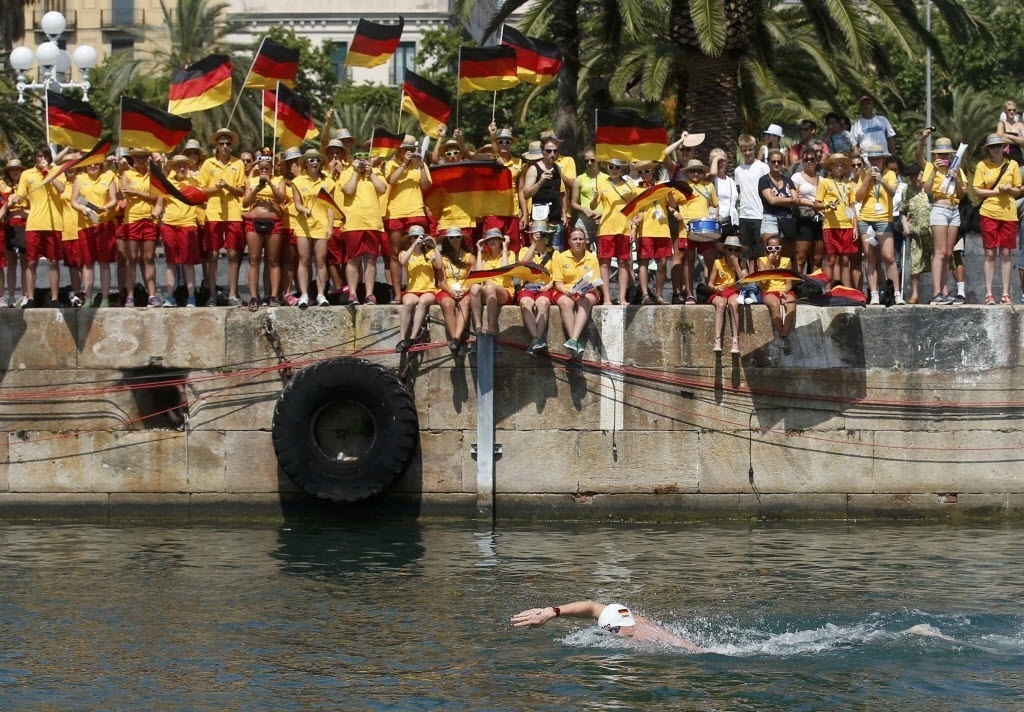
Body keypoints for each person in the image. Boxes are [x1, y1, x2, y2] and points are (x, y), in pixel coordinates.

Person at [511, 601, 703, 652]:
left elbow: (592, 607)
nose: (614, 634)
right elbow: (592, 607)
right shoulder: (639, 622)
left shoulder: (634, 632)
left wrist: (551, 612)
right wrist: (550, 611)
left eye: (614, 631)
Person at [9, 144, 65, 308]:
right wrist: (15, 198)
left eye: (44, 156)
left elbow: (61, 189)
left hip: (54, 223)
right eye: (39, 156)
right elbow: (21, 195)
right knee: (31, 262)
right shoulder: (27, 174)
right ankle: (30, 298)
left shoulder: (57, 171)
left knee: (54, 262)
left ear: (49, 158)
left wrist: (49, 173)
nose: (41, 159)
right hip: (34, 223)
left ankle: (54, 298)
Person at [197, 128, 246, 307]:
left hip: (233, 212)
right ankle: (212, 294)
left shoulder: (238, 163)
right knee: (213, 254)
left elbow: (241, 190)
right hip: (213, 212)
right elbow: (201, 190)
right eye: (221, 144)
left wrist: (228, 187)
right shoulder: (208, 164)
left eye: (227, 144)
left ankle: (233, 293)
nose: (225, 147)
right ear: (216, 146)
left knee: (233, 253)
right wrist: (216, 189)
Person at [972, 134, 1022, 304]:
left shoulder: (1012, 164)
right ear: (988, 149)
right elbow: (977, 190)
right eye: (993, 147)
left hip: (1008, 212)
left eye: (999, 146)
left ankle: (1006, 293)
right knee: (989, 253)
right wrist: (996, 191)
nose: (996, 149)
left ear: (1004, 147)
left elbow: (1019, 189)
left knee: (1007, 254)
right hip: (989, 212)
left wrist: (1010, 189)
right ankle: (989, 293)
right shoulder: (982, 165)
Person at [920, 136, 968, 305]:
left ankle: (945, 290)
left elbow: (962, 193)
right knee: (939, 251)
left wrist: (957, 177)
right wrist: (934, 170)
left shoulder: (957, 168)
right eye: (940, 154)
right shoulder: (930, 167)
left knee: (948, 253)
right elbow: (926, 190)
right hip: (939, 208)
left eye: (946, 154)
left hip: (954, 209)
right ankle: (936, 292)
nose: (943, 158)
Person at [385, 136, 432, 303]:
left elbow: (426, 185)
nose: (409, 152)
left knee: (420, 251)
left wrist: (420, 165)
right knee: (395, 254)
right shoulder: (391, 164)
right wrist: (404, 164)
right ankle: (398, 294)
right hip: (395, 213)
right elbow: (392, 180)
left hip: (416, 211)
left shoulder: (420, 164)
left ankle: (418, 288)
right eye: (405, 149)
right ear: (399, 150)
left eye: (411, 149)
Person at [339, 151, 388, 304]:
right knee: (353, 259)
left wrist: (371, 173)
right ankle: (353, 293)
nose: (361, 162)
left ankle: (369, 294)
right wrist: (354, 172)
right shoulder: (346, 173)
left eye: (364, 159)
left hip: (373, 222)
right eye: (358, 159)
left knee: (371, 259)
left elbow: (382, 189)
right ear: (353, 160)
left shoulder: (375, 172)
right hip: (353, 222)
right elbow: (349, 190)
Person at [855, 144, 902, 305]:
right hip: (866, 218)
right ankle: (873, 293)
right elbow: (858, 197)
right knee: (870, 257)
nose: (875, 161)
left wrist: (881, 180)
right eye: (872, 158)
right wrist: (868, 178)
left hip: (883, 219)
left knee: (889, 256)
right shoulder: (864, 174)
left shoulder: (889, 174)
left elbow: (893, 192)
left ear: (883, 159)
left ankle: (896, 292)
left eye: (877, 158)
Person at [290, 148, 335, 309]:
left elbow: (330, 207)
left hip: (321, 224)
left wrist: (330, 226)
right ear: (306, 163)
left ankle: (321, 294)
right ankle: (304, 294)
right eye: (311, 160)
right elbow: (297, 203)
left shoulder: (328, 182)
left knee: (321, 260)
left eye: (317, 160)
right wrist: (303, 209)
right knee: (304, 259)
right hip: (304, 224)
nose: (315, 163)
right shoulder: (298, 181)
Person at [241, 148, 285, 308]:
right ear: (258, 168)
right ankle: (253, 296)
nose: (264, 171)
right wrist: (256, 190)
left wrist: (271, 184)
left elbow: (281, 198)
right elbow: (245, 203)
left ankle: (273, 296)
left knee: (273, 260)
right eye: (262, 168)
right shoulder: (251, 181)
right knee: (254, 259)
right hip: (254, 222)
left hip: (274, 222)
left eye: (267, 168)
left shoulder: (279, 180)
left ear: (272, 169)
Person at [71, 160, 118, 307]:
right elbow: (74, 201)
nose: (93, 166)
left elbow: (114, 199)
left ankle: (104, 298)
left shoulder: (108, 177)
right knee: (87, 263)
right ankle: (89, 297)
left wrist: (104, 207)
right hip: (85, 225)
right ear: (85, 165)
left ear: (101, 165)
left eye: (96, 164)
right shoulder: (80, 179)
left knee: (104, 263)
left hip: (104, 224)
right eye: (90, 164)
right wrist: (83, 209)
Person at [120, 149, 163, 307]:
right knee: (131, 259)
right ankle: (130, 296)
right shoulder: (127, 174)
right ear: (133, 159)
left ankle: (152, 295)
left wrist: (136, 192)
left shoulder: (153, 176)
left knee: (148, 258)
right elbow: (124, 193)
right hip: (132, 219)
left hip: (150, 219)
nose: (141, 160)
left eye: (144, 157)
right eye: (138, 157)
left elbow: (156, 197)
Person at [591, 158, 637, 305]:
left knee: (624, 262)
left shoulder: (629, 185)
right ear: (607, 169)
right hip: (606, 228)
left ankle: (622, 298)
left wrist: (634, 228)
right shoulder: (602, 183)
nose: (614, 169)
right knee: (604, 264)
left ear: (622, 169)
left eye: (617, 167)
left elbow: (636, 208)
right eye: (611, 167)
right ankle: (607, 298)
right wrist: (594, 198)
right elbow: (593, 206)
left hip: (624, 228)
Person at [159, 154, 203, 307]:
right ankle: (169, 297)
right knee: (171, 262)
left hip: (188, 225)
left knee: (188, 263)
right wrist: (153, 216)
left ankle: (191, 297)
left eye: (184, 165)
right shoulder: (166, 184)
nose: (182, 168)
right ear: (173, 168)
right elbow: (159, 204)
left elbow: (202, 202)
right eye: (179, 165)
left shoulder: (193, 183)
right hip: (169, 224)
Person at [552, 228, 601, 358]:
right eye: (575, 239)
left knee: (584, 301)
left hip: (587, 291)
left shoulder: (592, 258)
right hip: (566, 290)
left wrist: (584, 291)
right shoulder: (560, 257)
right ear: (569, 242)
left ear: (585, 241)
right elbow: (558, 283)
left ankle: (573, 339)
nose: (578, 242)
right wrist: (565, 291)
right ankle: (574, 341)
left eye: (581, 239)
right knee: (564, 302)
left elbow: (595, 282)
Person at [522, 135, 573, 250]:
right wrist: (540, 181)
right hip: (540, 219)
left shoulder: (557, 168)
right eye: (548, 151)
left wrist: (564, 213)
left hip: (556, 218)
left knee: (556, 254)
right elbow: (526, 194)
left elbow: (560, 193)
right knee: (541, 253)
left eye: (555, 151)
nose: (552, 154)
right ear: (542, 151)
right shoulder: (534, 169)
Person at [815, 153, 858, 287]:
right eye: (836, 164)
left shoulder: (849, 184)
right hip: (830, 226)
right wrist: (827, 205)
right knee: (831, 260)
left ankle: (846, 291)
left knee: (845, 260)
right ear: (831, 167)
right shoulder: (825, 183)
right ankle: (827, 291)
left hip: (847, 226)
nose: (839, 167)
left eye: (842, 165)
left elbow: (850, 206)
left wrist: (855, 226)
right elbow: (816, 204)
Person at [395, 225, 439, 352]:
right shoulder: (404, 253)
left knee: (423, 302)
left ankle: (413, 337)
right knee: (408, 303)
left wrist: (434, 246)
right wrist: (414, 246)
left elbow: (439, 264)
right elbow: (403, 261)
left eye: (421, 237)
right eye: (415, 237)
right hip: (412, 289)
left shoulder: (430, 253)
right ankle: (402, 338)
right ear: (410, 239)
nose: (418, 239)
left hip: (429, 289)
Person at [516, 221, 556, 354]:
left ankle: (536, 341)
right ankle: (537, 338)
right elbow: (523, 265)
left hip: (546, 286)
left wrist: (548, 286)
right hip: (528, 286)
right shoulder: (524, 250)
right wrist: (533, 244)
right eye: (536, 233)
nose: (540, 236)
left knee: (542, 303)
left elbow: (557, 275)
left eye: (543, 233)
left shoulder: (554, 253)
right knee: (525, 302)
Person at [734, 134, 770, 272]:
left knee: (760, 253)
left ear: (754, 149)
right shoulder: (738, 170)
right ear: (741, 150)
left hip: (760, 214)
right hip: (744, 215)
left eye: (750, 149)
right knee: (746, 255)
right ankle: (750, 285)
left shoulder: (762, 167)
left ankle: (761, 283)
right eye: (744, 150)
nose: (747, 153)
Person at [437, 226, 474, 354]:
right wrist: (451, 292)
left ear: (462, 238)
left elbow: (473, 279)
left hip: (465, 288)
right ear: (447, 240)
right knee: (447, 304)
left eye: (457, 237)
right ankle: (456, 340)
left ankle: (456, 340)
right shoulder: (443, 258)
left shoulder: (470, 257)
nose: (454, 240)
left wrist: (464, 291)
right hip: (448, 289)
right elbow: (442, 281)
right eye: (451, 237)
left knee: (465, 303)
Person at [469, 228, 513, 338]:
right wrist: (479, 251)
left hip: (505, 291)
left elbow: (505, 270)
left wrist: (504, 248)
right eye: (489, 239)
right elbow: (479, 275)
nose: (491, 241)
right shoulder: (484, 256)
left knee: (490, 287)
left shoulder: (509, 253)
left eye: (495, 238)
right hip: (487, 290)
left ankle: (491, 326)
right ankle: (478, 326)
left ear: (500, 240)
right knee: (474, 287)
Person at [707, 234, 747, 354]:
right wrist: (716, 287)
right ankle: (717, 339)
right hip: (720, 291)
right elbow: (709, 284)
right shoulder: (718, 263)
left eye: (735, 250)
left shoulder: (742, 262)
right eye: (730, 249)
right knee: (720, 305)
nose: (732, 252)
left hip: (734, 290)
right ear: (725, 250)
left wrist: (736, 265)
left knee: (734, 304)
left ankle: (735, 340)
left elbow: (745, 281)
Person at [757, 235, 797, 350]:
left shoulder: (786, 261)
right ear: (767, 249)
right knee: (775, 305)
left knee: (791, 306)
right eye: (770, 248)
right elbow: (763, 281)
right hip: (768, 291)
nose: (774, 251)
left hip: (783, 290)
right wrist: (769, 262)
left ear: (781, 248)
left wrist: (784, 291)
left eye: (776, 248)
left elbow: (789, 283)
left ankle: (783, 337)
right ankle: (784, 338)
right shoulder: (762, 260)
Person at [901, 164, 932, 305]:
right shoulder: (907, 190)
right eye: (911, 176)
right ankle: (915, 294)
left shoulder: (929, 188)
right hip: (915, 232)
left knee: (936, 262)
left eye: (916, 175)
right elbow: (903, 211)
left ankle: (937, 292)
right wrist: (905, 225)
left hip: (932, 231)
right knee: (915, 263)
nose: (914, 179)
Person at [791, 148, 824, 273]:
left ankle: (813, 288)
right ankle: (797, 287)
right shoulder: (797, 177)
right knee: (801, 257)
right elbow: (795, 199)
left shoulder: (822, 179)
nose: (809, 162)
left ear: (816, 161)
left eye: (812, 159)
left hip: (820, 219)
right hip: (803, 218)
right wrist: (813, 204)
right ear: (802, 162)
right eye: (806, 159)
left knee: (817, 259)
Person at [571, 148, 603, 245]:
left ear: (599, 160)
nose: (589, 163)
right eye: (586, 161)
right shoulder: (579, 179)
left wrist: (603, 212)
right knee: (583, 249)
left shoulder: (607, 178)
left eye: (592, 160)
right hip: (584, 219)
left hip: (602, 219)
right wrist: (584, 209)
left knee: (602, 252)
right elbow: (573, 203)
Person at [996, 100, 1024, 169]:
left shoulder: (1020, 125)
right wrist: (1017, 140)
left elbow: (1023, 141)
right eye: (1009, 110)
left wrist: (1007, 135)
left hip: (1018, 158)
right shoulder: (1001, 124)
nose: (1012, 112)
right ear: (1005, 111)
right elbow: (999, 139)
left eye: (1014, 110)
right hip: (1005, 158)